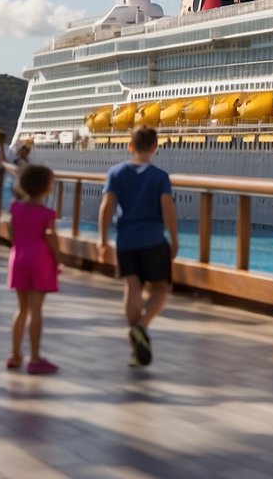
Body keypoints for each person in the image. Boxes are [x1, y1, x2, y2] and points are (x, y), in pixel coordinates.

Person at [97, 126, 178, 368]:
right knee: (160, 288)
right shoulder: (160, 177)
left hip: (125, 240)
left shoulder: (116, 173)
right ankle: (141, 327)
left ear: (130, 146)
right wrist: (174, 239)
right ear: (155, 147)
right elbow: (167, 209)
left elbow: (106, 207)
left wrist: (102, 241)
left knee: (132, 286)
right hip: (153, 239)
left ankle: (136, 348)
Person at [6, 165, 60, 375]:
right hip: (40, 259)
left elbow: (11, 230)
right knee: (36, 310)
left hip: (18, 257)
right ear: (47, 188)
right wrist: (58, 260)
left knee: (21, 309)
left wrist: (18, 246)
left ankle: (14, 354)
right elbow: (50, 236)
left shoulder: (15, 208)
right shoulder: (47, 213)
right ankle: (35, 358)